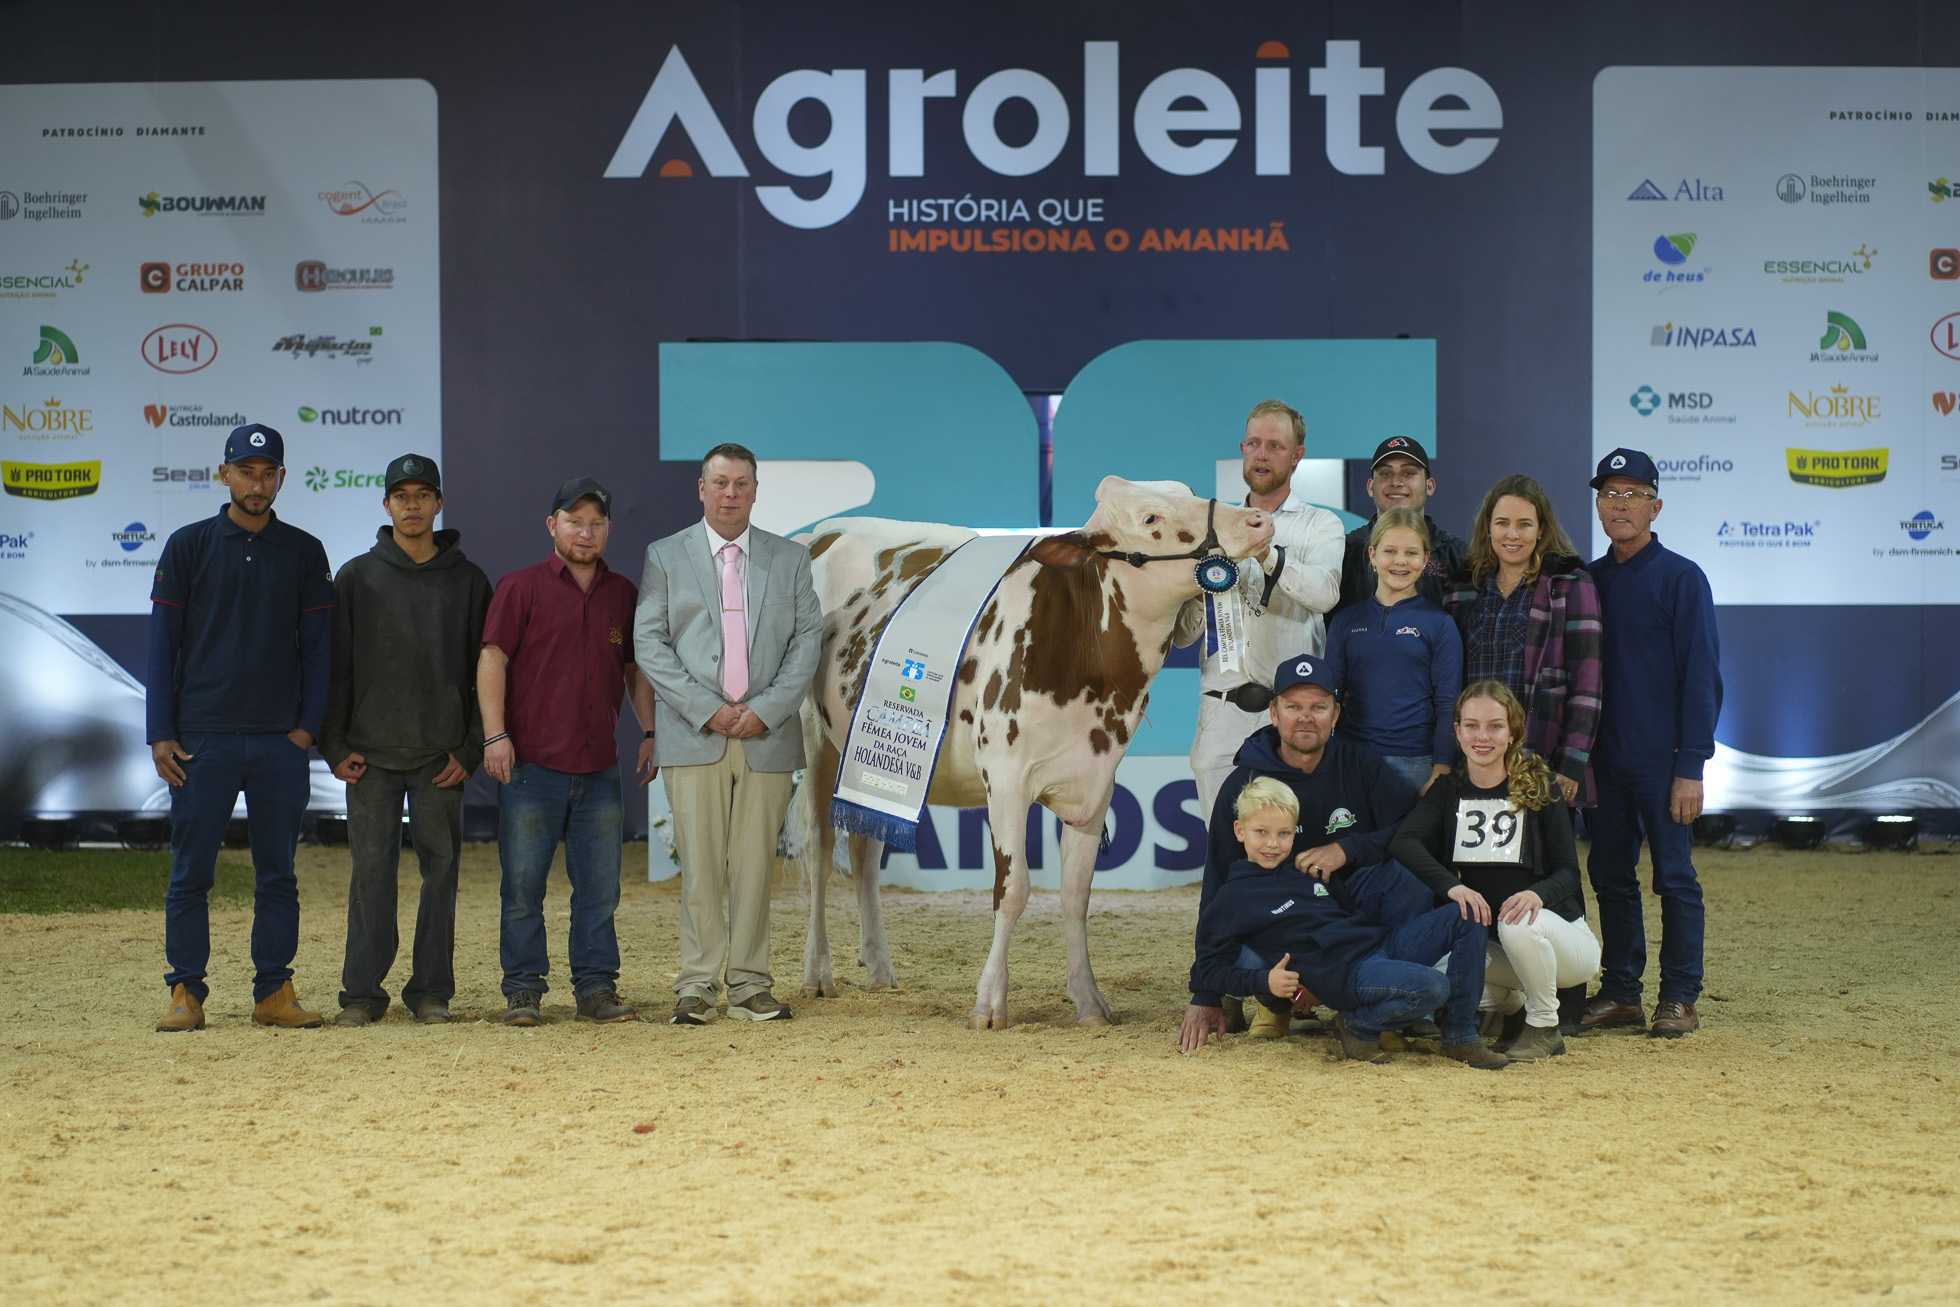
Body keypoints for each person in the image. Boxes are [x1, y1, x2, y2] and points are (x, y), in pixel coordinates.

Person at [147, 423, 333, 1032]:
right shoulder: (187, 545)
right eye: (246, 471)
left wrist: (307, 731)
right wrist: (161, 732)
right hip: (202, 739)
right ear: (224, 474)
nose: (257, 483)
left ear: (282, 477)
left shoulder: (305, 551)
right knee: (191, 871)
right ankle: (185, 992)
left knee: (277, 870)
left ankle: (273, 991)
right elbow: (162, 645)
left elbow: (318, 651)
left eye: (268, 472)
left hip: (281, 742)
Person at [634, 443, 823, 1026]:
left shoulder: (789, 559)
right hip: (694, 737)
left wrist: (763, 709)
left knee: (753, 868)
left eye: (741, 483)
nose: (730, 494)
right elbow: (649, 643)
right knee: (699, 866)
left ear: (756, 490)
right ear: (701, 488)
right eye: (720, 483)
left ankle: (749, 984)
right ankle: (696, 985)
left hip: (766, 737)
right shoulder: (665, 556)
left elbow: (807, 642)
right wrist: (707, 710)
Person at [1179, 654, 1434, 1047]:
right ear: (1274, 713)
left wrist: (1348, 849)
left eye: (1318, 707)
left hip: (1346, 907)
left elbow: (1414, 827)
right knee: (1245, 947)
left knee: (1410, 879)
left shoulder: (1359, 764)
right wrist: (1205, 993)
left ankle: (1378, 1008)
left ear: (1336, 714)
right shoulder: (1244, 782)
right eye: (1293, 707)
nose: (1305, 717)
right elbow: (1216, 884)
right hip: (1278, 921)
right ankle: (1276, 1006)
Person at [319, 454, 493, 1028]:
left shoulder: (469, 581)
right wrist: (334, 743)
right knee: (371, 874)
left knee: (440, 874)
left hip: (440, 757)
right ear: (386, 504)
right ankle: (362, 994)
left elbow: (484, 672)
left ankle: (430, 993)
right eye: (402, 495)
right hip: (369, 757)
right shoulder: (355, 577)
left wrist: (470, 749)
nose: (412, 505)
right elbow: (336, 669)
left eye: (424, 495)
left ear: (439, 503)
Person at [478, 476, 657, 1027]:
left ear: (608, 529)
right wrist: (494, 734)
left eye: (596, 523)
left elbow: (633, 671)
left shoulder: (624, 594)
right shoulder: (520, 588)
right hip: (531, 766)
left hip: (599, 768)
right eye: (574, 522)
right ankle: (524, 992)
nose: (586, 532)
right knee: (523, 889)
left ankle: (596, 990)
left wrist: (649, 730)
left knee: (600, 891)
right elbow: (492, 659)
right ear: (552, 525)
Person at [1187, 776, 1509, 1069]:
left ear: (1294, 831)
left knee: (1468, 911)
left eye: (1284, 833)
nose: (1273, 843)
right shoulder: (1232, 899)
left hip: (1377, 947)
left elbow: (1350, 914)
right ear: (1239, 831)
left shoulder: (1306, 868)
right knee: (1434, 986)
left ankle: (1460, 1036)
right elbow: (1210, 967)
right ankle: (1357, 1024)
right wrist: (1264, 983)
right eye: (1262, 832)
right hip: (1345, 974)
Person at [1581, 448, 1721, 1039]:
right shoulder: (1587, 579)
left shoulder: (1682, 577)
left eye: (1634, 494)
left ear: (1656, 505)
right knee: (1611, 878)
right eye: (1611, 494)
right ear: (1598, 504)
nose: (1620, 504)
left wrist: (1692, 764)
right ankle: (1621, 993)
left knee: (1675, 879)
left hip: (1664, 765)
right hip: (1602, 764)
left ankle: (1680, 996)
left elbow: (1703, 675)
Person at [1388, 681, 1602, 1060]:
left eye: (1494, 726)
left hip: (1562, 941)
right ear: (1457, 731)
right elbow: (1405, 842)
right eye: (1471, 725)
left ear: (1513, 732)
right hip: (1499, 951)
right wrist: (1452, 888)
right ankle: (1513, 1005)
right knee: (1432, 976)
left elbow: (1569, 872)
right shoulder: (1448, 790)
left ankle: (1544, 1023)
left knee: (1517, 922)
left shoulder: (1540, 786)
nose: (1481, 737)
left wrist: (1537, 895)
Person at [1172, 399, 1346, 823]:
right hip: (1221, 706)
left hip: (1291, 712)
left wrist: (1267, 555)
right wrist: (1196, 595)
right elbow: (1184, 636)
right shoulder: (1212, 525)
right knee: (1222, 844)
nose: (1262, 455)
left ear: (1297, 455)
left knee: (1290, 839)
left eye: (1275, 445)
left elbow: (1325, 594)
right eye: (1254, 443)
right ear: (1242, 449)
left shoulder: (1319, 525)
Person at [1441, 475, 1602, 809]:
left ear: (1542, 529)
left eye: (1524, 524)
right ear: (1488, 527)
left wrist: (1572, 762)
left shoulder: (1570, 585)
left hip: (1541, 761)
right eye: (1502, 523)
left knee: (1545, 860)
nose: (1512, 535)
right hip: (1474, 760)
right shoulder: (1461, 588)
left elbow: (1588, 684)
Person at [1321, 507, 1462, 796]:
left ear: (1425, 559)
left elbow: (1449, 703)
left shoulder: (1440, 623)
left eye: (1411, 553)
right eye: (1390, 551)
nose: (1400, 561)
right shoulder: (1345, 621)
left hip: (1417, 764)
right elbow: (1329, 697)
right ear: (1372, 555)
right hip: (1353, 760)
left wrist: (1441, 768)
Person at [1337, 437, 1470, 611]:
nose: (1396, 482)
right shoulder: (1344, 552)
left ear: (1429, 486)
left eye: (1408, 473)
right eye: (1385, 473)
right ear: (1370, 487)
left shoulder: (1457, 557)